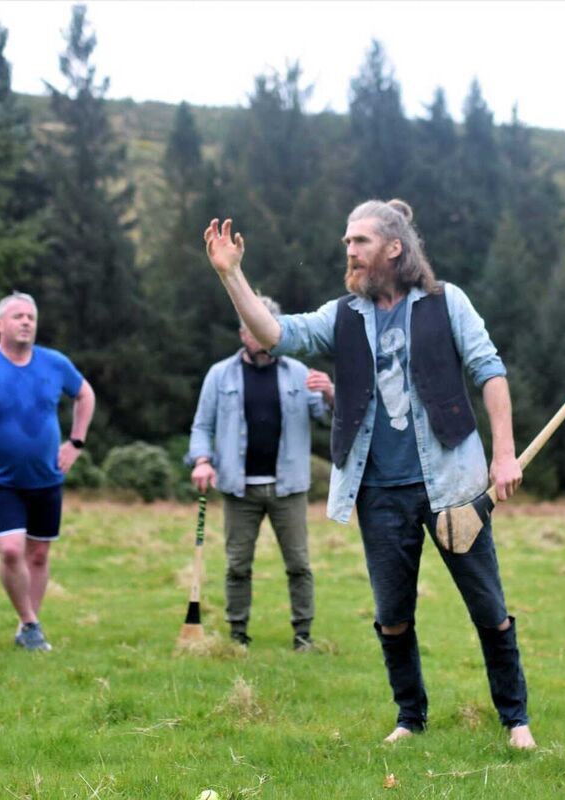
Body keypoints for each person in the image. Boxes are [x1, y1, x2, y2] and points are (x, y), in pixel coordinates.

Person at [203, 199, 536, 749]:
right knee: (392, 616)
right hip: (378, 491)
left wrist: (504, 455)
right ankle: (410, 718)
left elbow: (490, 371)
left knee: (488, 607)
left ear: (394, 248)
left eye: (360, 241)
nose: (349, 250)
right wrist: (231, 275)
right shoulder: (343, 316)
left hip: (453, 484)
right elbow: (275, 333)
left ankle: (515, 720)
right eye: (347, 242)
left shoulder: (446, 302)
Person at [0, 291, 95, 652]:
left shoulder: (54, 363)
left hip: (46, 478)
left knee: (39, 555)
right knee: (12, 551)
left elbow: (85, 395)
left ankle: (28, 627)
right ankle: (30, 622)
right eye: (18, 316)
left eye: (31, 317)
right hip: (0, 480)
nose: (26, 322)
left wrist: (75, 443)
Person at [185, 295, 334, 651]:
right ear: (243, 333)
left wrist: (330, 393)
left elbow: (329, 418)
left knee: (299, 564)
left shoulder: (299, 373)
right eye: (254, 328)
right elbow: (202, 426)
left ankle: (303, 635)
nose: (261, 335)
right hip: (238, 488)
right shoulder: (219, 375)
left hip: (289, 487)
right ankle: (237, 634)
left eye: (268, 328)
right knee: (238, 565)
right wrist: (202, 460)